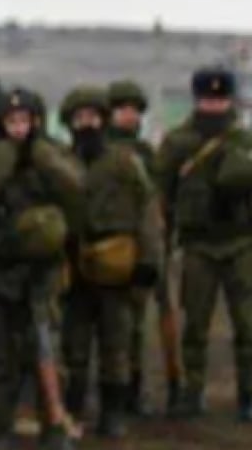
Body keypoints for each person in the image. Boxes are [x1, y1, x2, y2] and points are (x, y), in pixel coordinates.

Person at [0, 86, 84, 450]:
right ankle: (1, 426)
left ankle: (54, 424)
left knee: (44, 348)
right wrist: (3, 161)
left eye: (25, 121)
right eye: (10, 121)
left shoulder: (52, 154)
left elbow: (77, 187)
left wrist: (43, 158)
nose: (18, 128)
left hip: (41, 269)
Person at [57, 85, 162, 438]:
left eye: (93, 116)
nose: (86, 124)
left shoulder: (125, 162)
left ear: (103, 119)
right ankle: (72, 409)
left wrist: (148, 261)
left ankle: (113, 412)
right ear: (69, 123)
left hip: (117, 264)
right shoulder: (58, 162)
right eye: (79, 118)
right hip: (72, 265)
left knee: (116, 344)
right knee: (74, 346)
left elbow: (148, 211)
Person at [155, 66, 252, 422]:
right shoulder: (178, 143)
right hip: (197, 246)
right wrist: (160, 245)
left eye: (220, 99)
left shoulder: (245, 142)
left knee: (248, 325)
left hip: (242, 244)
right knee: (194, 325)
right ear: (197, 100)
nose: (214, 106)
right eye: (208, 100)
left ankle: (248, 396)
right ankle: (191, 392)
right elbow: (160, 196)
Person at [105, 79, 168, 414]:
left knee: (134, 326)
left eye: (134, 111)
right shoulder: (96, 151)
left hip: (137, 246)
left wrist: (153, 254)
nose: (128, 117)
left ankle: (131, 390)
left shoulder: (146, 155)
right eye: (121, 110)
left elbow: (154, 205)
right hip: (103, 248)